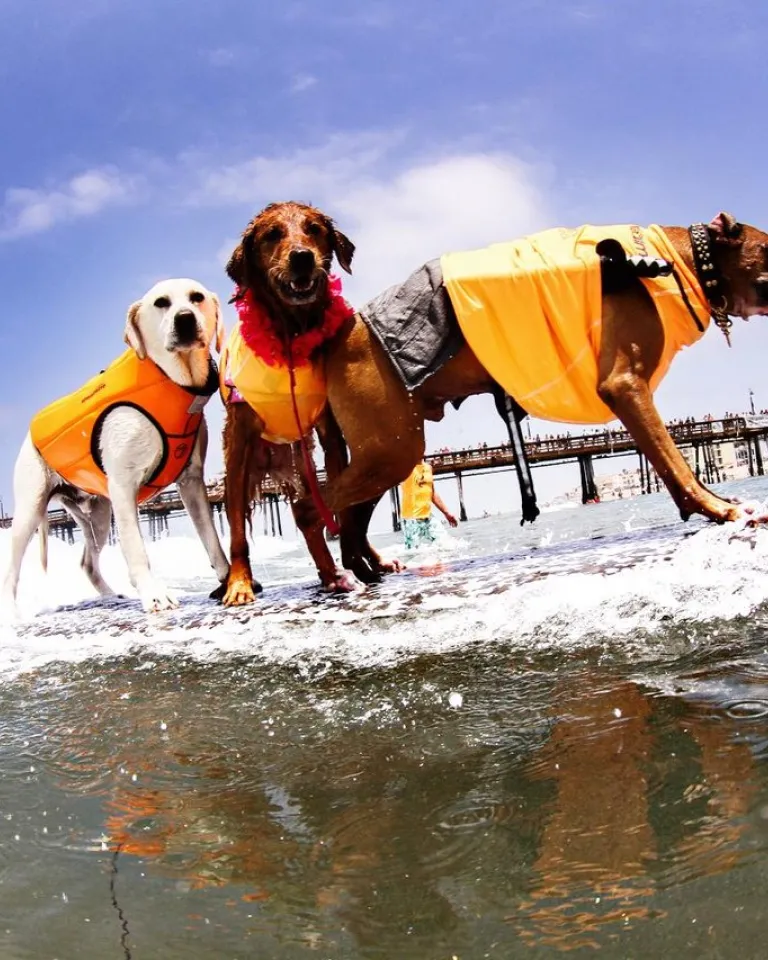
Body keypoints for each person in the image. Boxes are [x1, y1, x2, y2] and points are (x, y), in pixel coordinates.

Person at [399, 460, 458, 549]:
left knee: (447, 545)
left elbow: (432, 493)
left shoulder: (428, 468)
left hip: (428, 517)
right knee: (413, 553)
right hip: (411, 520)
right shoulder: (405, 467)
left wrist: (447, 513)